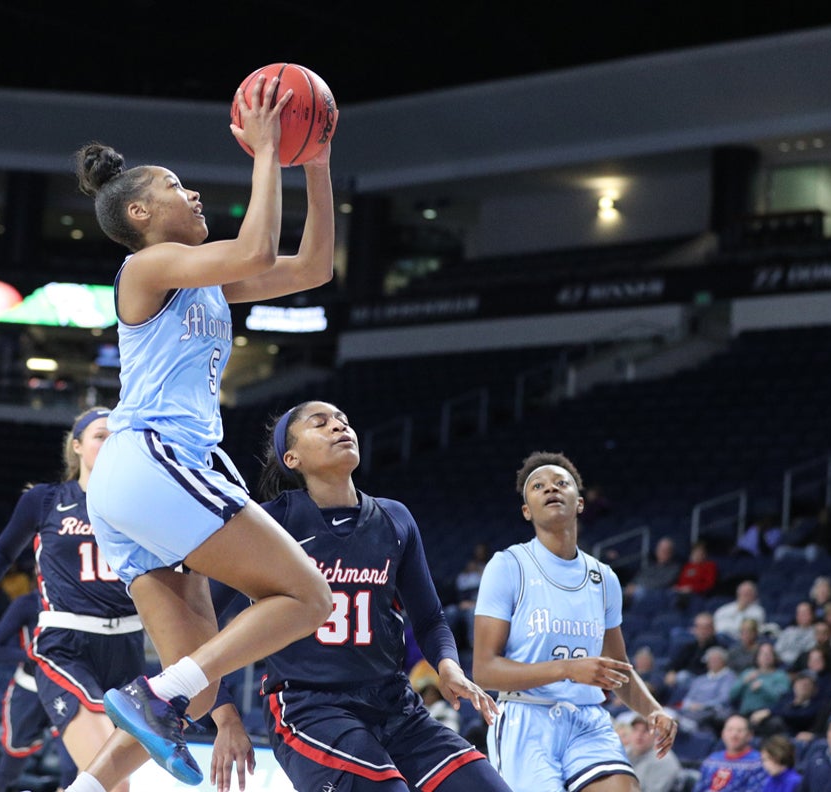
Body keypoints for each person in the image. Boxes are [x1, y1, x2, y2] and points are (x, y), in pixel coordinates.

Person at [59, 73, 338, 791]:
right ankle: (150, 697)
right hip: (155, 459)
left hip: (138, 484)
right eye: (181, 188)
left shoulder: (202, 278)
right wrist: (268, 152)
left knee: (200, 690)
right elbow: (252, 250)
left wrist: (316, 162)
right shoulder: (147, 267)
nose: (195, 195)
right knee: (308, 598)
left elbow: (311, 266)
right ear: (143, 211)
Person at [0, 408, 252, 792]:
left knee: (100, 783)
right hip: (67, 645)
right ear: (76, 446)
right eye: (99, 435)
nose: (110, 441)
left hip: (128, 647)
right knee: (115, 784)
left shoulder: (144, 504)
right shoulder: (47, 500)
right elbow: (2, 549)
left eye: (118, 435)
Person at [245, 401, 508, 792]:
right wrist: (224, 715)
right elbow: (203, 610)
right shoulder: (270, 523)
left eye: (343, 421)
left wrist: (448, 666)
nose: (338, 426)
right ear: (292, 457)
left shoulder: (394, 518)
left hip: (394, 703)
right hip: (310, 706)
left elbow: (430, 619)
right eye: (321, 423)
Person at [473, 451, 677, 792]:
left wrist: (653, 710)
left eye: (560, 483)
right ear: (527, 511)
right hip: (527, 718)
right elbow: (484, 670)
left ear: (579, 503)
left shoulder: (604, 578)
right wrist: (567, 669)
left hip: (587, 719)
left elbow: (616, 668)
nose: (550, 489)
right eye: (538, 486)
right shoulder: (508, 566)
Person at [0, 589, 78, 792]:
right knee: (9, 772)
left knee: (72, 768)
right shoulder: (26, 603)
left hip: (65, 688)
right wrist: (33, 655)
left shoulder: (78, 597)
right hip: (29, 691)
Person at [692, 714, 765, 792]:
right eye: (730, 730)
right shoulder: (711, 760)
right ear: (723, 734)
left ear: (749, 735)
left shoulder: (759, 762)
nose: (734, 735)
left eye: (739, 731)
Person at [675, 646, 737, 735]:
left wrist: (702, 705)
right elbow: (689, 697)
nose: (712, 662)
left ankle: (685, 724)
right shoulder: (700, 679)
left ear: (723, 661)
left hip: (712, 711)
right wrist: (688, 705)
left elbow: (724, 699)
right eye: (710, 660)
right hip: (692, 710)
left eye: (716, 660)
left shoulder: (729, 677)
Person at [731, 643, 789, 732]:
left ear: (774, 657)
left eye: (769, 654)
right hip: (746, 713)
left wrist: (763, 686)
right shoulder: (747, 673)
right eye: (763, 654)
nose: (766, 657)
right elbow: (731, 695)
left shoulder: (780, 675)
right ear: (757, 657)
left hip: (768, 714)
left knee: (775, 724)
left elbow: (781, 698)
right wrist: (743, 682)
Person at [623, 711, 682, 792]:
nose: (639, 735)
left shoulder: (663, 759)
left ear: (657, 735)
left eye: (646, 731)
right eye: (635, 730)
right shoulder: (623, 752)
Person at [665, 612, 723, 693]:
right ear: (694, 629)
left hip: (708, 682)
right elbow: (674, 664)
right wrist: (671, 672)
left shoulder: (719, 648)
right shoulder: (689, 647)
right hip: (687, 680)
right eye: (699, 627)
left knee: (683, 676)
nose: (703, 631)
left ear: (713, 629)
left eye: (706, 628)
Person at [624, 537, 682, 604]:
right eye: (661, 548)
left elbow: (664, 583)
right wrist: (632, 585)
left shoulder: (675, 568)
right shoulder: (650, 565)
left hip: (655, 594)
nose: (662, 551)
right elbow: (638, 577)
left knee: (639, 592)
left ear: (671, 552)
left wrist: (637, 587)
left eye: (666, 549)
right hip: (636, 589)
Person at [774, 601, 818, 668]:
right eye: (799, 613)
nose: (802, 616)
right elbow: (777, 650)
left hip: (802, 667)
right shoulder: (788, 631)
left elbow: (808, 654)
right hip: (782, 665)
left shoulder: (816, 631)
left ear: (812, 615)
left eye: (805, 613)